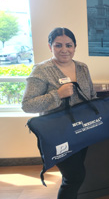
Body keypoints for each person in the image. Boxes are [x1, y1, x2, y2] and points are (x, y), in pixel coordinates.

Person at [22, 27, 97, 199]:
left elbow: (91, 95)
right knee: (74, 176)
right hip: (58, 133)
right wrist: (58, 94)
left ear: (75, 47)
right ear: (50, 47)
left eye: (69, 45)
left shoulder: (82, 68)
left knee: (72, 175)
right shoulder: (42, 70)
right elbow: (27, 105)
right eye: (58, 45)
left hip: (82, 130)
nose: (64, 50)